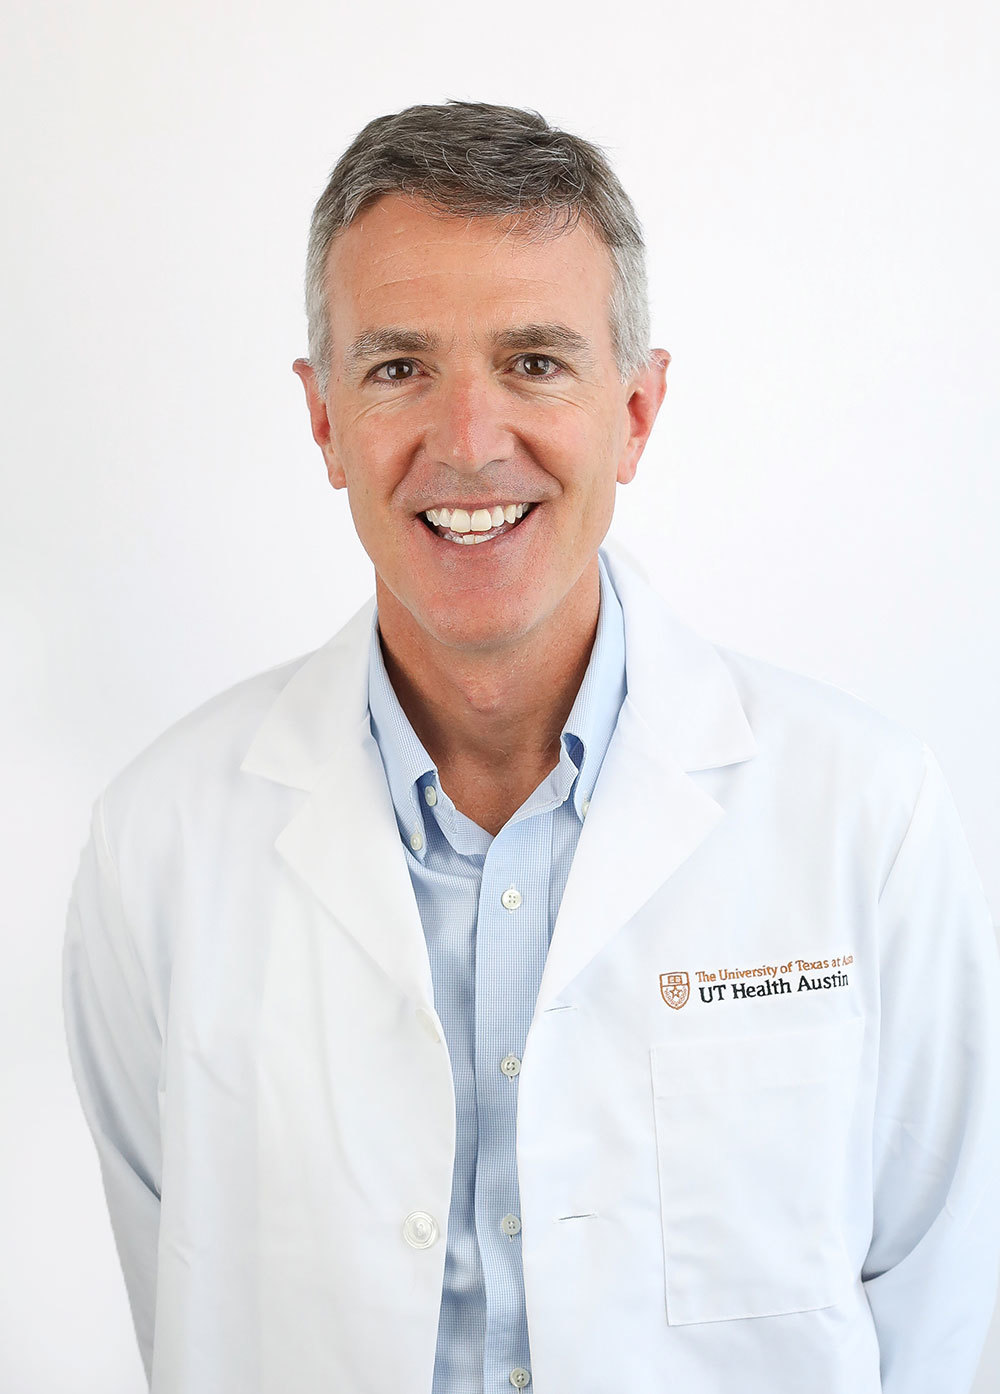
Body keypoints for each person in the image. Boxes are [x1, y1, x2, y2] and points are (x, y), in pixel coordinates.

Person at [62, 101, 1000, 1394]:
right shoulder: (162, 844)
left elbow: (949, 1321)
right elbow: (187, 1313)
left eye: (535, 362)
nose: (467, 439)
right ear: (323, 415)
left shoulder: (865, 817)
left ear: (637, 406)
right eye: (397, 367)